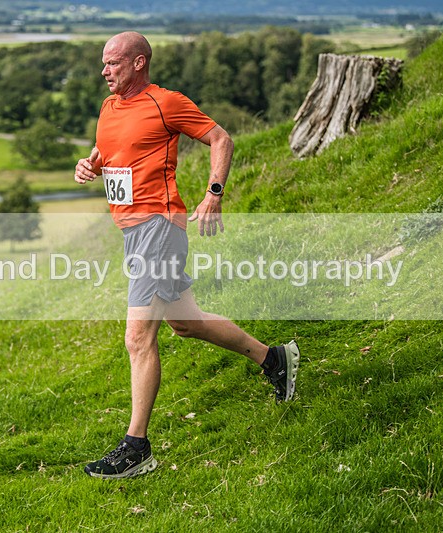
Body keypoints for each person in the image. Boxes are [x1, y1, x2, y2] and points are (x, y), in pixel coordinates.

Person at [74, 31, 300, 479]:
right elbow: (112, 150)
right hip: (132, 231)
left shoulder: (166, 102)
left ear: (139, 63)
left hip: (160, 226)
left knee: (138, 338)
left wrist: (214, 193)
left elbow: (221, 139)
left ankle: (136, 448)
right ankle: (274, 359)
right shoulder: (108, 107)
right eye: (103, 63)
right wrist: (91, 164)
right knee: (185, 322)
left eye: (114, 63)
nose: (105, 71)